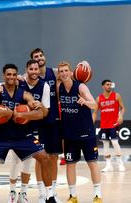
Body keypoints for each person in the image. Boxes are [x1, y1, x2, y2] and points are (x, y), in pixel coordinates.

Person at [0, 64, 56, 203]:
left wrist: (24, 115)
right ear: (3, 75)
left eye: (14, 74)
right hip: (0, 137)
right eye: (8, 74)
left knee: (45, 158)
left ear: (17, 76)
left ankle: (49, 196)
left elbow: (40, 113)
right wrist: (6, 113)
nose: (11, 77)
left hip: (22, 136)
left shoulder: (24, 94)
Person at [57, 61, 102, 203]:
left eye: (66, 71)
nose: (64, 73)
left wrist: (85, 102)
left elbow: (95, 104)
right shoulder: (59, 88)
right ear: (59, 73)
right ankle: (73, 196)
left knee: (92, 163)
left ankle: (97, 195)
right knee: (70, 164)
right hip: (69, 134)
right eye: (61, 71)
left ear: (71, 73)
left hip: (85, 132)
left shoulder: (81, 87)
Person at [8, 59, 50, 203]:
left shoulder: (44, 86)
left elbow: (45, 112)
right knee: (15, 161)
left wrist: (40, 106)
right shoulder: (19, 82)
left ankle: (23, 193)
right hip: (16, 127)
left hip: (33, 128)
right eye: (31, 69)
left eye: (36, 69)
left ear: (39, 70)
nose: (34, 71)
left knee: (28, 162)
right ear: (26, 70)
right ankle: (12, 191)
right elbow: (2, 86)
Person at [30, 48, 63, 202]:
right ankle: (42, 193)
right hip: (38, 121)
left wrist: (81, 67)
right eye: (36, 57)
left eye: (41, 55)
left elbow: (70, 73)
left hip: (54, 120)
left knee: (54, 157)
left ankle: (53, 192)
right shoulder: (29, 76)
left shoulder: (54, 72)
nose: (39, 58)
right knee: (40, 157)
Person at [92, 79, 126, 172]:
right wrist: (91, 123)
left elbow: (123, 108)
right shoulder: (99, 98)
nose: (109, 86)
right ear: (103, 86)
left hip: (114, 124)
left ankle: (120, 163)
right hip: (104, 125)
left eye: (110, 84)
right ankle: (108, 165)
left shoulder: (116, 96)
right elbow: (95, 112)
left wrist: (120, 115)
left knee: (115, 143)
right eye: (107, 84)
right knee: (105, 145)